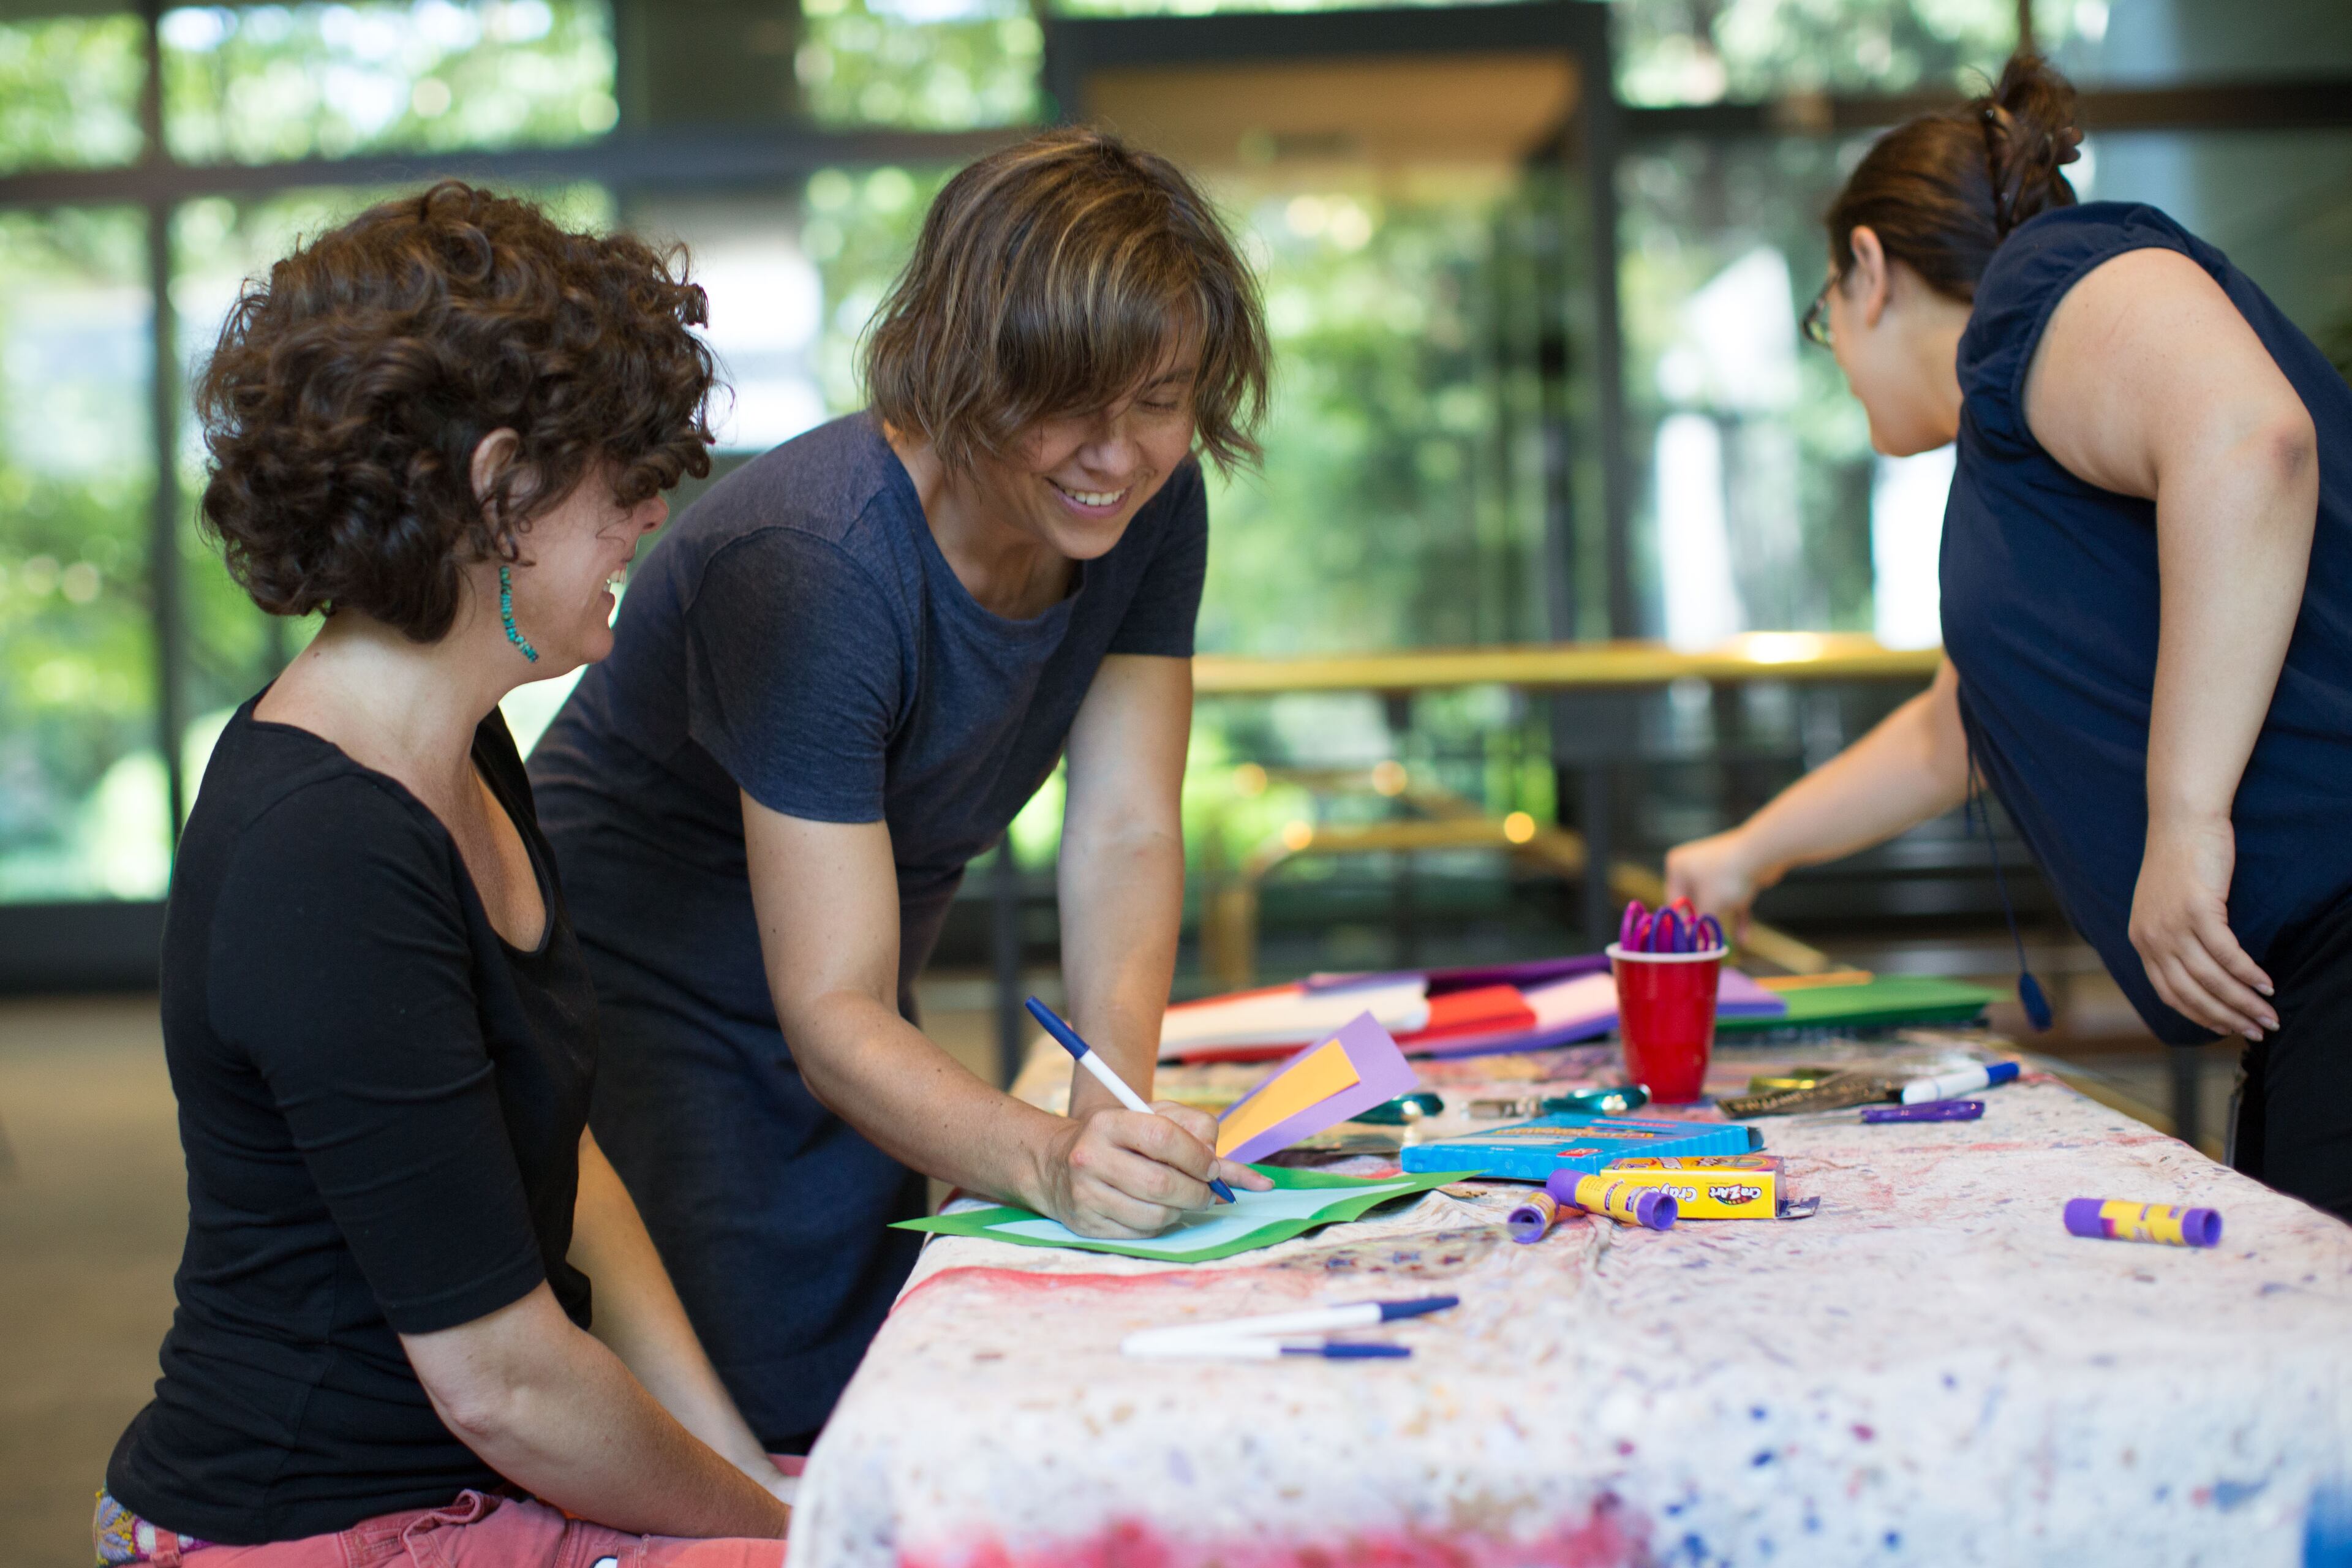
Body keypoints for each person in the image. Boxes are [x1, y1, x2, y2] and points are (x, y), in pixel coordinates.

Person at [527, 126, 1276, 1448]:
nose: (1120, 453)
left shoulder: (1154, 504)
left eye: (1161, 397)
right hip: (641, 981)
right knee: (752, 1404)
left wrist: (1112, 1103)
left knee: (898, 1348)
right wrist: (1047, 1155)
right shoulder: (814, 560)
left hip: (861, 955)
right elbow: (826, 1009)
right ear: (965, 368)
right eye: (1071, 402)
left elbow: (1124, 825)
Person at [97, 183, 797, 1565]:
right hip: (321, 1516)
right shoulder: (328, 847)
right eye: (622, 481)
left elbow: (559, 1164)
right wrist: (786, 1534)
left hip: (478, 1468)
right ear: (497, 491)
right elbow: (503, 1382)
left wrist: (745, 1466)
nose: (652, 516)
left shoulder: (462, 740)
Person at [1664, 55, 2351, 1221]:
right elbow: (1950, 734)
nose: (1832, 349)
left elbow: (2250, 441)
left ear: (1868, 272)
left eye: (1823, 312)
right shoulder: (2015, 433)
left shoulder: (2040, 287)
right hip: (2307, 984)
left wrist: (2186, 821)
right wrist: (1750, 853)